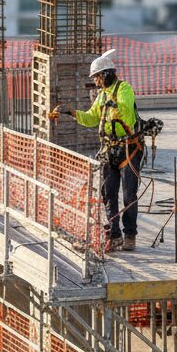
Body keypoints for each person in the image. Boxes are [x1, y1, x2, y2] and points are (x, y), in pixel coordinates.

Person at [49, 50, 142, 252]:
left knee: (129, 195)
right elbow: (91, 118)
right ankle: (114, 235)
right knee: (108, 194)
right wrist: (71, 112)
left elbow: (126, 112)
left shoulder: (124, 89)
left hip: (128, 149)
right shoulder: (102, 96)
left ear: (106, 74)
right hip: (110, 149)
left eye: (97, 77)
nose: (96, 81)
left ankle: (130, 235)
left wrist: (113, 105)